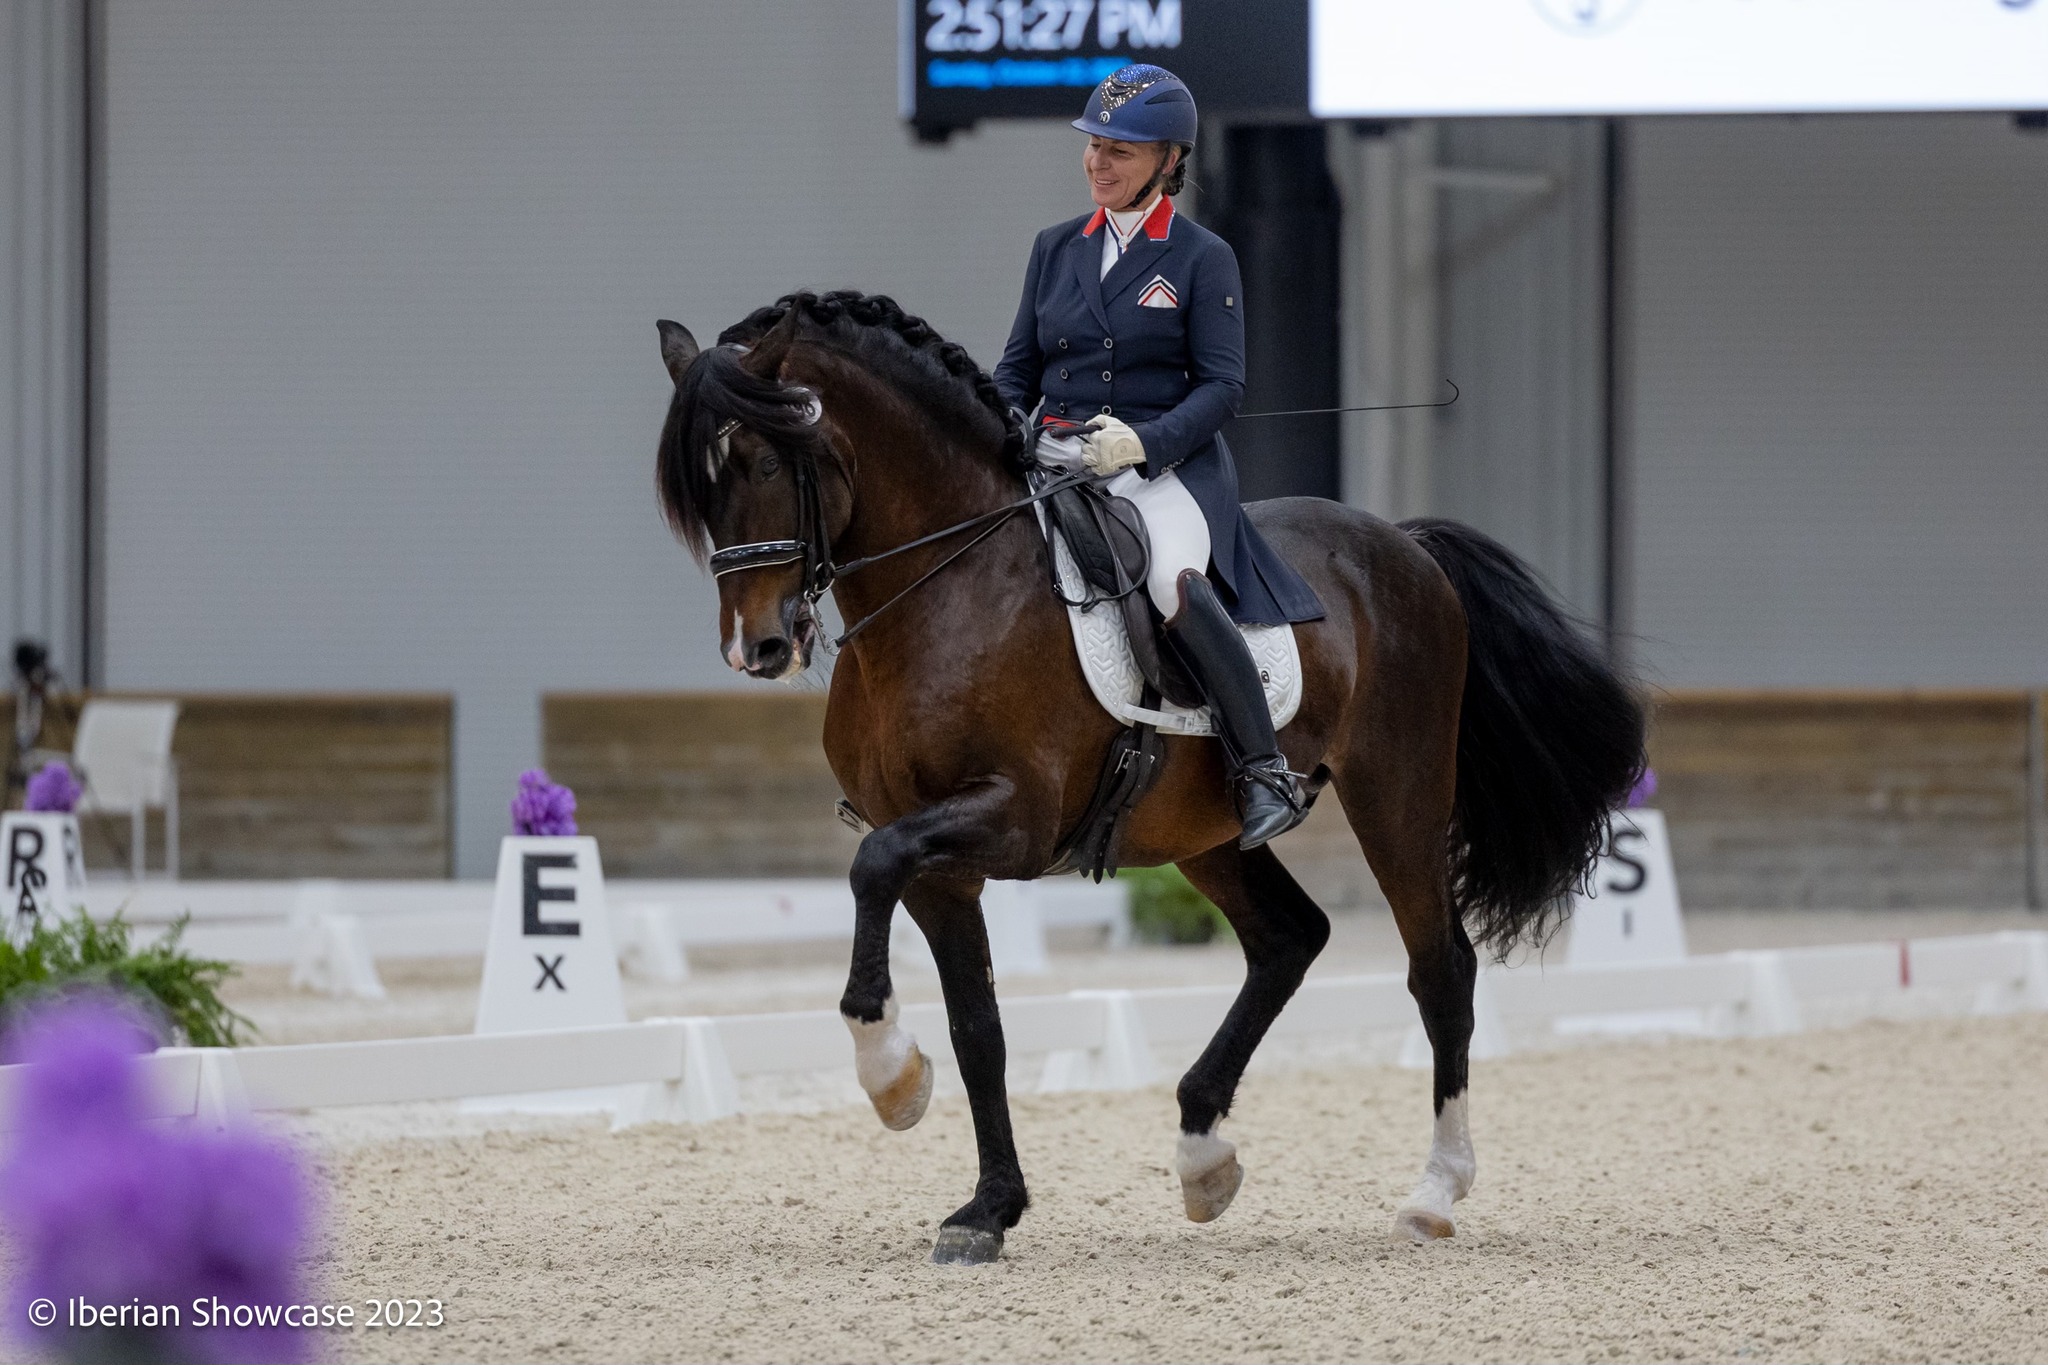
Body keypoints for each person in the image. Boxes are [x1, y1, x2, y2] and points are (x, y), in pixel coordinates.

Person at [994, 64, 1325, 850]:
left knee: (1175, 580)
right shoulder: (1053, 248)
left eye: (1122, 152)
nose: (1100, 164)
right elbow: (1016, 369)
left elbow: (1222, 389)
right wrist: (1005, 423)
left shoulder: (1202, 256)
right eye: (1094, 147)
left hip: (1161, 470)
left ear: (1169, 161)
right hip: (1055, 456)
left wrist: (1142, 443)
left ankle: (1261, 769)